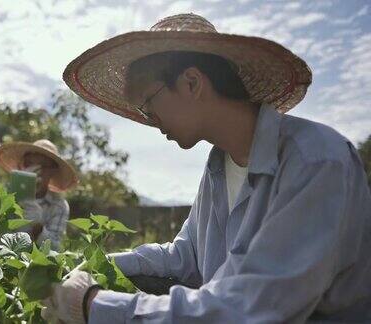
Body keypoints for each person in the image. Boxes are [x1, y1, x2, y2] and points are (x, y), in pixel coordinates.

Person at [42, 13, 371, 323]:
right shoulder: (220, 167)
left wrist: (91, 303)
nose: (150, 122)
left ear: (191, 83)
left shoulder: (316, 161)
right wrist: (92, 266)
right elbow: (185, 258)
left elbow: (250, 308)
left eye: (147, 105)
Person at [0, 139, 78, 251]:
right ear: (21, 166)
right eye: (30, 164)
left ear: (53, 171)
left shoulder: (58, 206)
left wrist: (38, 227)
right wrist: (2, 202)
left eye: (43, 166)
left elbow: (54, 249)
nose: (35, 170)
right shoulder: (3, 194)